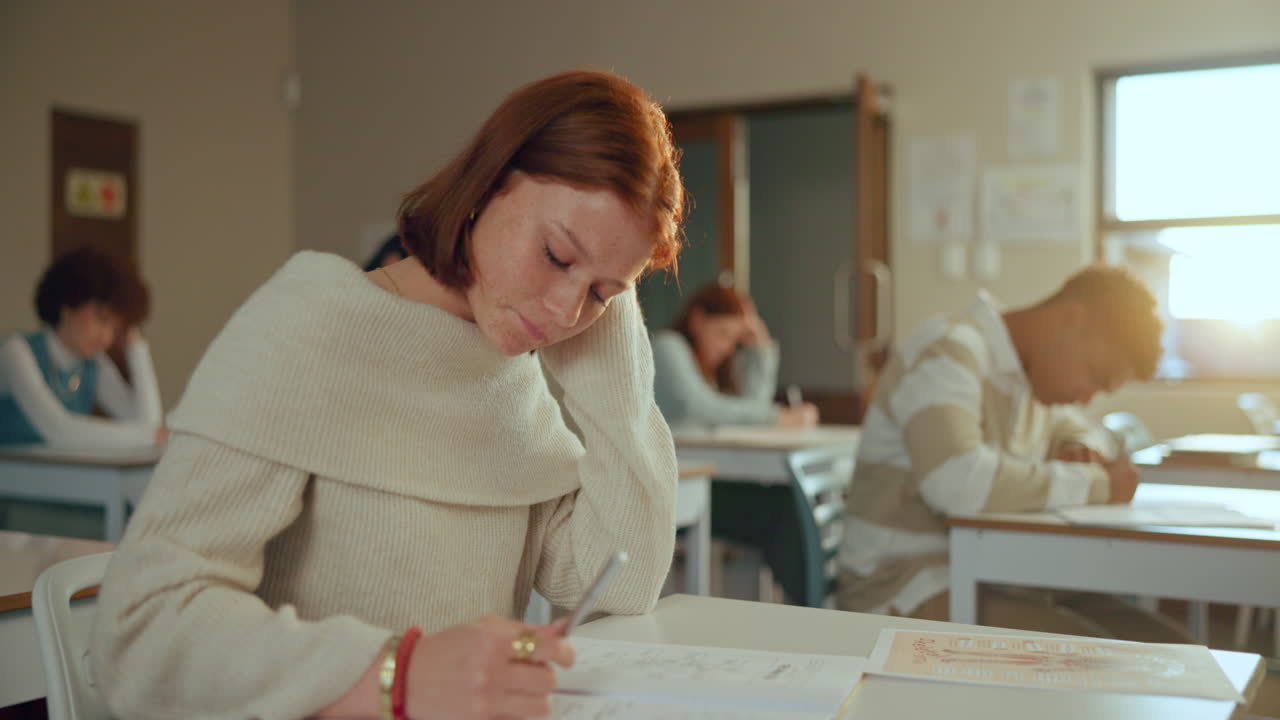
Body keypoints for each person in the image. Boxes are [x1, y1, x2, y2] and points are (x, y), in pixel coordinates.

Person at [90, 69, 686, 719]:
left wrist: (609, 334)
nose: (568, 309)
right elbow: (138, 631)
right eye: (556, 253)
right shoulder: (308, 325)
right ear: (486, 185)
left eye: (603, 294)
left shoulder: (513, 369)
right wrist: (394, 676)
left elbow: (621, 586)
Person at [835, 265, 1191, 642]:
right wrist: (1096, 484)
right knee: (1111, 664)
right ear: (1074, 320)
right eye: (1095, 376)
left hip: (992, 574)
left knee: (1175, 649)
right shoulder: (948, 350)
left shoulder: (1027, 378)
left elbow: (1080, 426)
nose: (1088, 397)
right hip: (904, 588)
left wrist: (1082, 447)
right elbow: (957, 482)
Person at [0, 246, 163, 448]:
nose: (107, 336)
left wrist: (136, 348)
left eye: (116, 327)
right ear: (70, 303)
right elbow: (58, 430)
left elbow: (147, 422)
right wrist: (148, 435)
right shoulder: (15, 352)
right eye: (102, 319)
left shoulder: (93, 362)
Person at [651, 283, 817, 429]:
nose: (728, 347)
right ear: (698, 319)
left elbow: (754, 406)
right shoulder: (668, 346)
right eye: (723, 333)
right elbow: (699, 408)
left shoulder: (712, 371)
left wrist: (760, 349)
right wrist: (776, 417)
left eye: (735, 340)